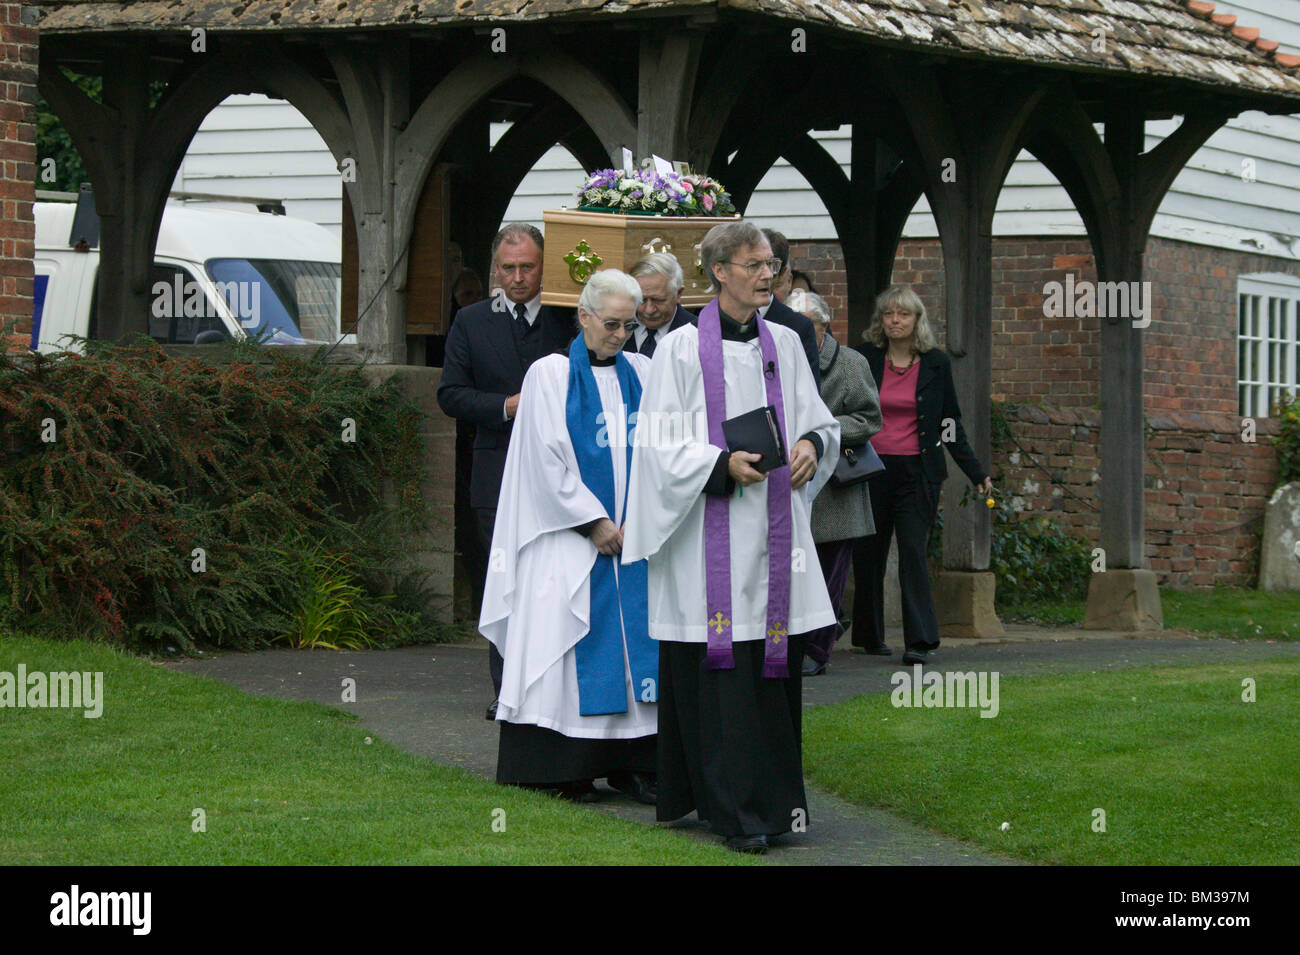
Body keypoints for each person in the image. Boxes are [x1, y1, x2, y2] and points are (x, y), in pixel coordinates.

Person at [622, 221, 840, 854]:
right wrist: (720, 465)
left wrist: (809, 444)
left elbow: (819, 420)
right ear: (719, 272)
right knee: (721, 681)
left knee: (770, 675)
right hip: (707, 542)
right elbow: (657, 445)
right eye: (752, 265)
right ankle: (733, 812)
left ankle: (776, 805)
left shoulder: (786, 345)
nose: (766, 274)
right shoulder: (683, 350)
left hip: (775, 543)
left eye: (769, 263)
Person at [480, 269, 658, 803]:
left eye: (629, 325)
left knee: (634, 655)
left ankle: (636, 763)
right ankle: (561, 768)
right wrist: (593, 521)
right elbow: (542, 457)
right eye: (610, 324)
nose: (620, 335)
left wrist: (643, 520)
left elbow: (661, 453)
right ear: (582, 316)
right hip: (568, 540)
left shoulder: (645, 373)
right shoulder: (550, 375)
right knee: (564, 640)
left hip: (634, 544)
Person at [437, 224, 578, 716]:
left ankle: (558, 691)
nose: (517, 278)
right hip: (495, 473)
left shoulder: (571, 318)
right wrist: (507, 406)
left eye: (528, 267)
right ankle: (506, 692)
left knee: (560, 580)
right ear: (495, 268)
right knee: (506, 581)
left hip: (566, 474)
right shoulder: (471, 321)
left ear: (545, 266)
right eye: (508, 268)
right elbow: (450, 394)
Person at [851, 285, 993, 665]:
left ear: (917, 320)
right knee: (869, 553)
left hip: (918, 472)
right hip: (871, 468)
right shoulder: (865, 358)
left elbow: (949, 423)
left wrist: (975, 471)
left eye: (904, 314)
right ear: (881, 321)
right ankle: (868, 634)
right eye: (889, 314)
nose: (895, 321)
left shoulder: (936, 364)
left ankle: (920, 640)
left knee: (913, 550)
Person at [788, 288, 881, 677]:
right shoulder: (777, 359)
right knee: (795, 571)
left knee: (829, 573)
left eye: (804, 325)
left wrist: (821, 432)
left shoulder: (851, 364)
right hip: (791, 483)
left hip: (836, 491)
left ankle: (817, 649)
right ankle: (793, 642)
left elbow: (869, 418)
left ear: (823, 326)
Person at [758, 228, 821, 388]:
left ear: (782, 273)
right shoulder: (713, 321)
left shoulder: (799, 327)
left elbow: (808, 396)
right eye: (753, 265)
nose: (761, 274)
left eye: (769, 266)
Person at [625, 252, 693, 357]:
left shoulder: (698, 335)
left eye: (658, 300)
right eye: (641, 300)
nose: (649, 310)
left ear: (678, 294)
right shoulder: (616, 327)